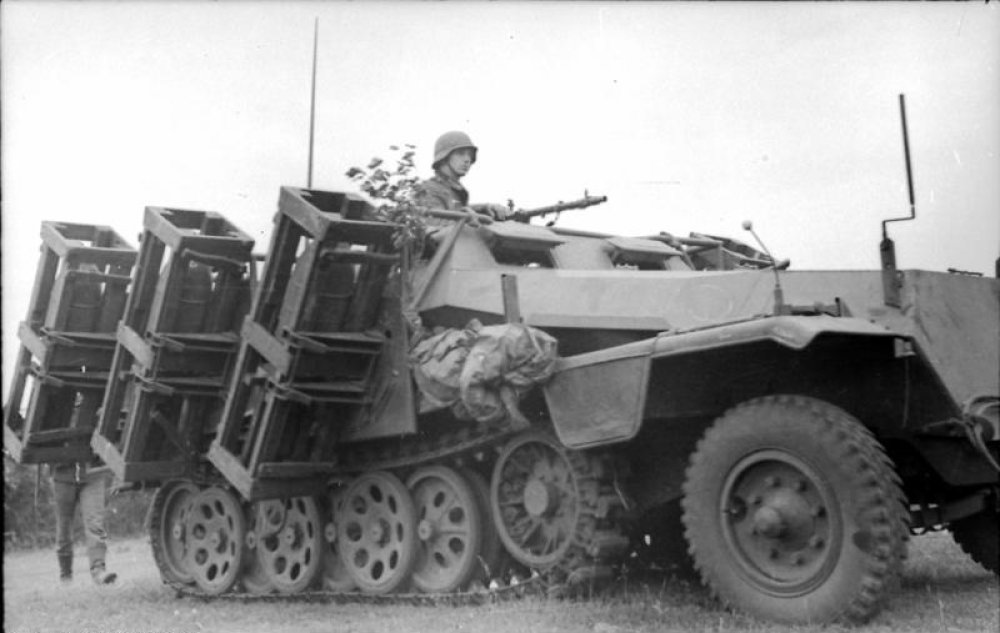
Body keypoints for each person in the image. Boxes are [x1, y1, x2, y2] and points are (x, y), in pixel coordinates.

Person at [414, 131, 510, 225]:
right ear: (444, 158)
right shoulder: (428, 189)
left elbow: (454, 211)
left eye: (470, 155)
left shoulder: (455, 191)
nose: (467, 159)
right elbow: (434, 225)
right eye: (460, 153)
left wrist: (484, 208)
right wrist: (468, 217)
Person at [50, 457, 117, 585]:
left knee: (95, 524)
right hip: (63, 474)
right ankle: (66, 575)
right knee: (64, 527)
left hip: (93, 473)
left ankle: (99, 570)